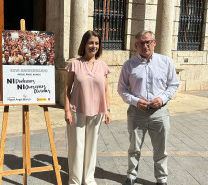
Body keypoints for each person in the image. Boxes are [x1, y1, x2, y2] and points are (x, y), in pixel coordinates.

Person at [117, 30, 179, 185]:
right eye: (141, 43)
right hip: (136, 113)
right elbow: (122, 89)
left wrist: (163, 98)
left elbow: (173, 85)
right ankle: (131, 176)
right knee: (134, 148)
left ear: (154, 43)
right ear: (136, 46)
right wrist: (134, 101)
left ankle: (161, 179)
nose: (145, 46)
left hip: (160, 112)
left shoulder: (165, 62)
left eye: (148, 42)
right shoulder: (129, 65)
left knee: (161, 149)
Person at [64, 30, 111, 185]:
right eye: (91, 42)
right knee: (77, 146)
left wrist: (108, 110)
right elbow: (67, 88)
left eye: (97, 43)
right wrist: (67, 111)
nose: (94, 46)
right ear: (84, 44)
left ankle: (89, 179)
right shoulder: (75, 64)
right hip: (77, 110)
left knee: (91, 147)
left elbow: (105, 89)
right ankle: (75, 180)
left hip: (97, 111)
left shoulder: (103, 65)